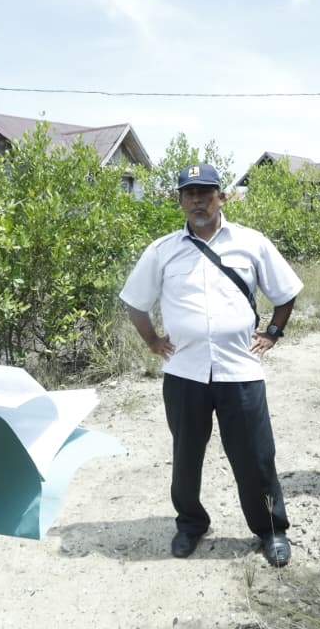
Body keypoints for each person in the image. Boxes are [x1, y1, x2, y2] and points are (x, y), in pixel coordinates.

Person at [120, 163, 303, 568]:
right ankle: (190, 524)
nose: (198, 200)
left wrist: (273, 331)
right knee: (186, 456)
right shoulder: (162, 249)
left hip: (241, 371)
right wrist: (152, 340)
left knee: (255, 457)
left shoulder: (251, 243)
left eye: (206, 192)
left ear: (222, 196)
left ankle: (271, 530)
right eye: (190, 193)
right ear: (181, 200)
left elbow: (285, 292)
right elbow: (136, 301)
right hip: (184, 372)